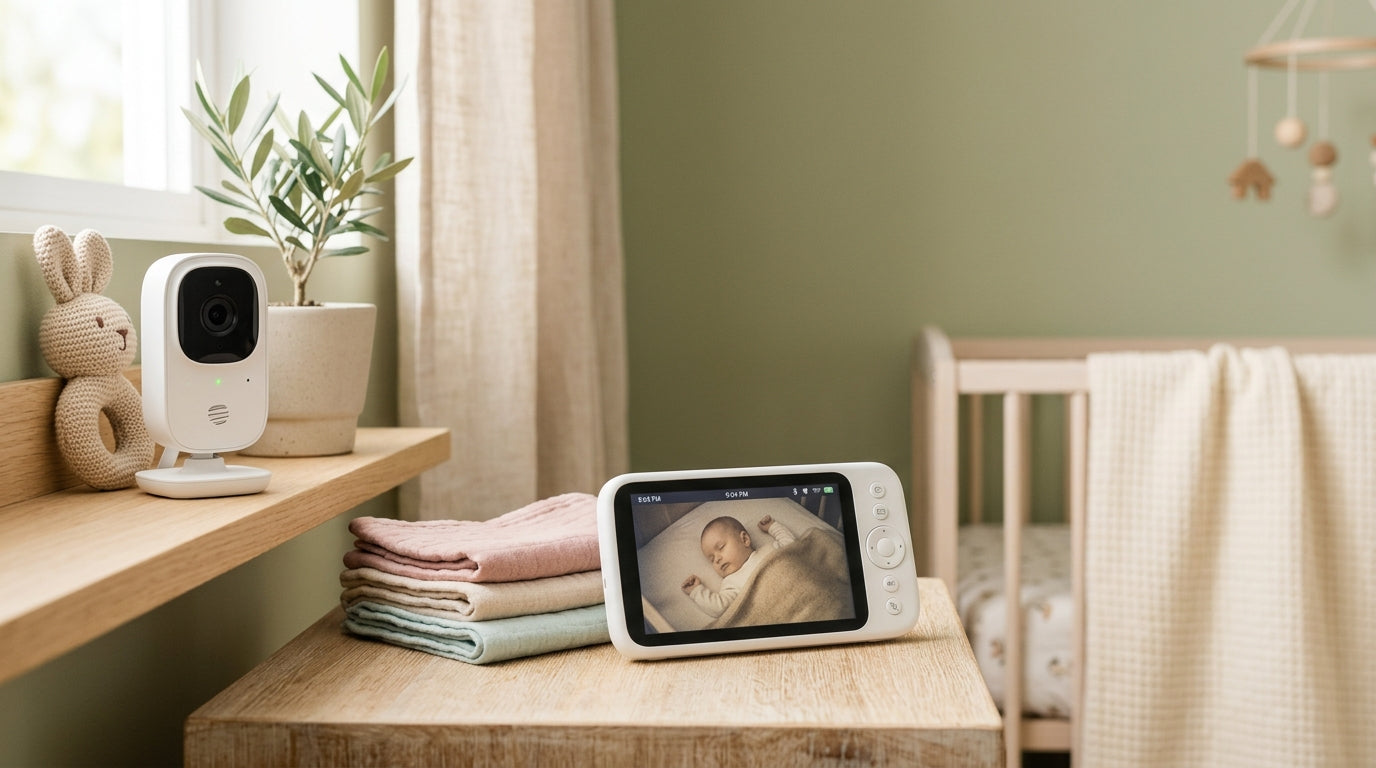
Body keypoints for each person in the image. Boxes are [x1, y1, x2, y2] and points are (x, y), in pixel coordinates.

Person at [681, 514, 795, 618]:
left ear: (744, 539)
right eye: (712, 559)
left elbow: (793, 545)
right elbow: (719, 608)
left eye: (721, 547)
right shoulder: (731, 582)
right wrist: (696, 591)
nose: (717, 559)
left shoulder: (768, 550)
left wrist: (772, 527)